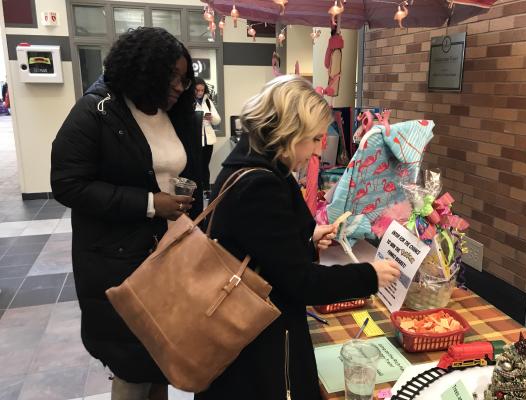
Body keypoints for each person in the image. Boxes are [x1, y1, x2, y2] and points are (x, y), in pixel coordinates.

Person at [194, 75, 401, 400]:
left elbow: (261, 251)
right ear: (288, 132)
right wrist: (369, 275)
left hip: (246, 335)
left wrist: (306, 239)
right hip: (257, 354)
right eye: (315, 138)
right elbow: (301, 282)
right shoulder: (259, 185)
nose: (319, 149)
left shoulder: (253, 166)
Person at [50, 27, 203, 400]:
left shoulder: (174, 112)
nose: (181, 87)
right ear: (143, 70)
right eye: (173, 77)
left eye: (185, 79)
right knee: (132, 363)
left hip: (169, 251)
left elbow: (187, 168)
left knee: (161, 354)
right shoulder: (96, 111)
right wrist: (149, 203)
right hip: (119, 257)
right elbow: (68, 184)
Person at [194, 77, 221, 199]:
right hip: (195, 140)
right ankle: (197, 191)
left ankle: (206, 190)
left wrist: (210, 118)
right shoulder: (189, 102)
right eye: (197, 90)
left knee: (205, 166)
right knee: (196, 166)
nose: (200, 92)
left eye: (202, 90)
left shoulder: (208, 102)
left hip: (208, 140)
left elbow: (217, 120)